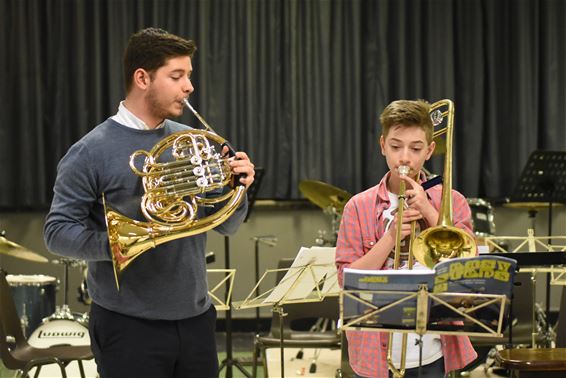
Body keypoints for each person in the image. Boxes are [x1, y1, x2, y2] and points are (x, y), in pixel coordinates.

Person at [44, 27, 255, 378]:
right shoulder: (89, 151)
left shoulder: (193, 141)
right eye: (177, 76)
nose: (189, 86)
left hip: (195, 319)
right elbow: (56, 232)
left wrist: (238, 187)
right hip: (128, 325)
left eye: (189, 75)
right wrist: (126, 241)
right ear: (142, 78)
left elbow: (229, 224)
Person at [335, 99, 477, 377]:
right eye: (395, 146)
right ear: (382, 145)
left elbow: (468, 267)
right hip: (375, 350)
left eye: (416, 148)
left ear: (430, 150)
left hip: (434, 345)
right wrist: (390, 237)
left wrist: (427, 208)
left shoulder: (453, 201)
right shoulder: (358, 206)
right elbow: (346, 278)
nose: (404, 158)